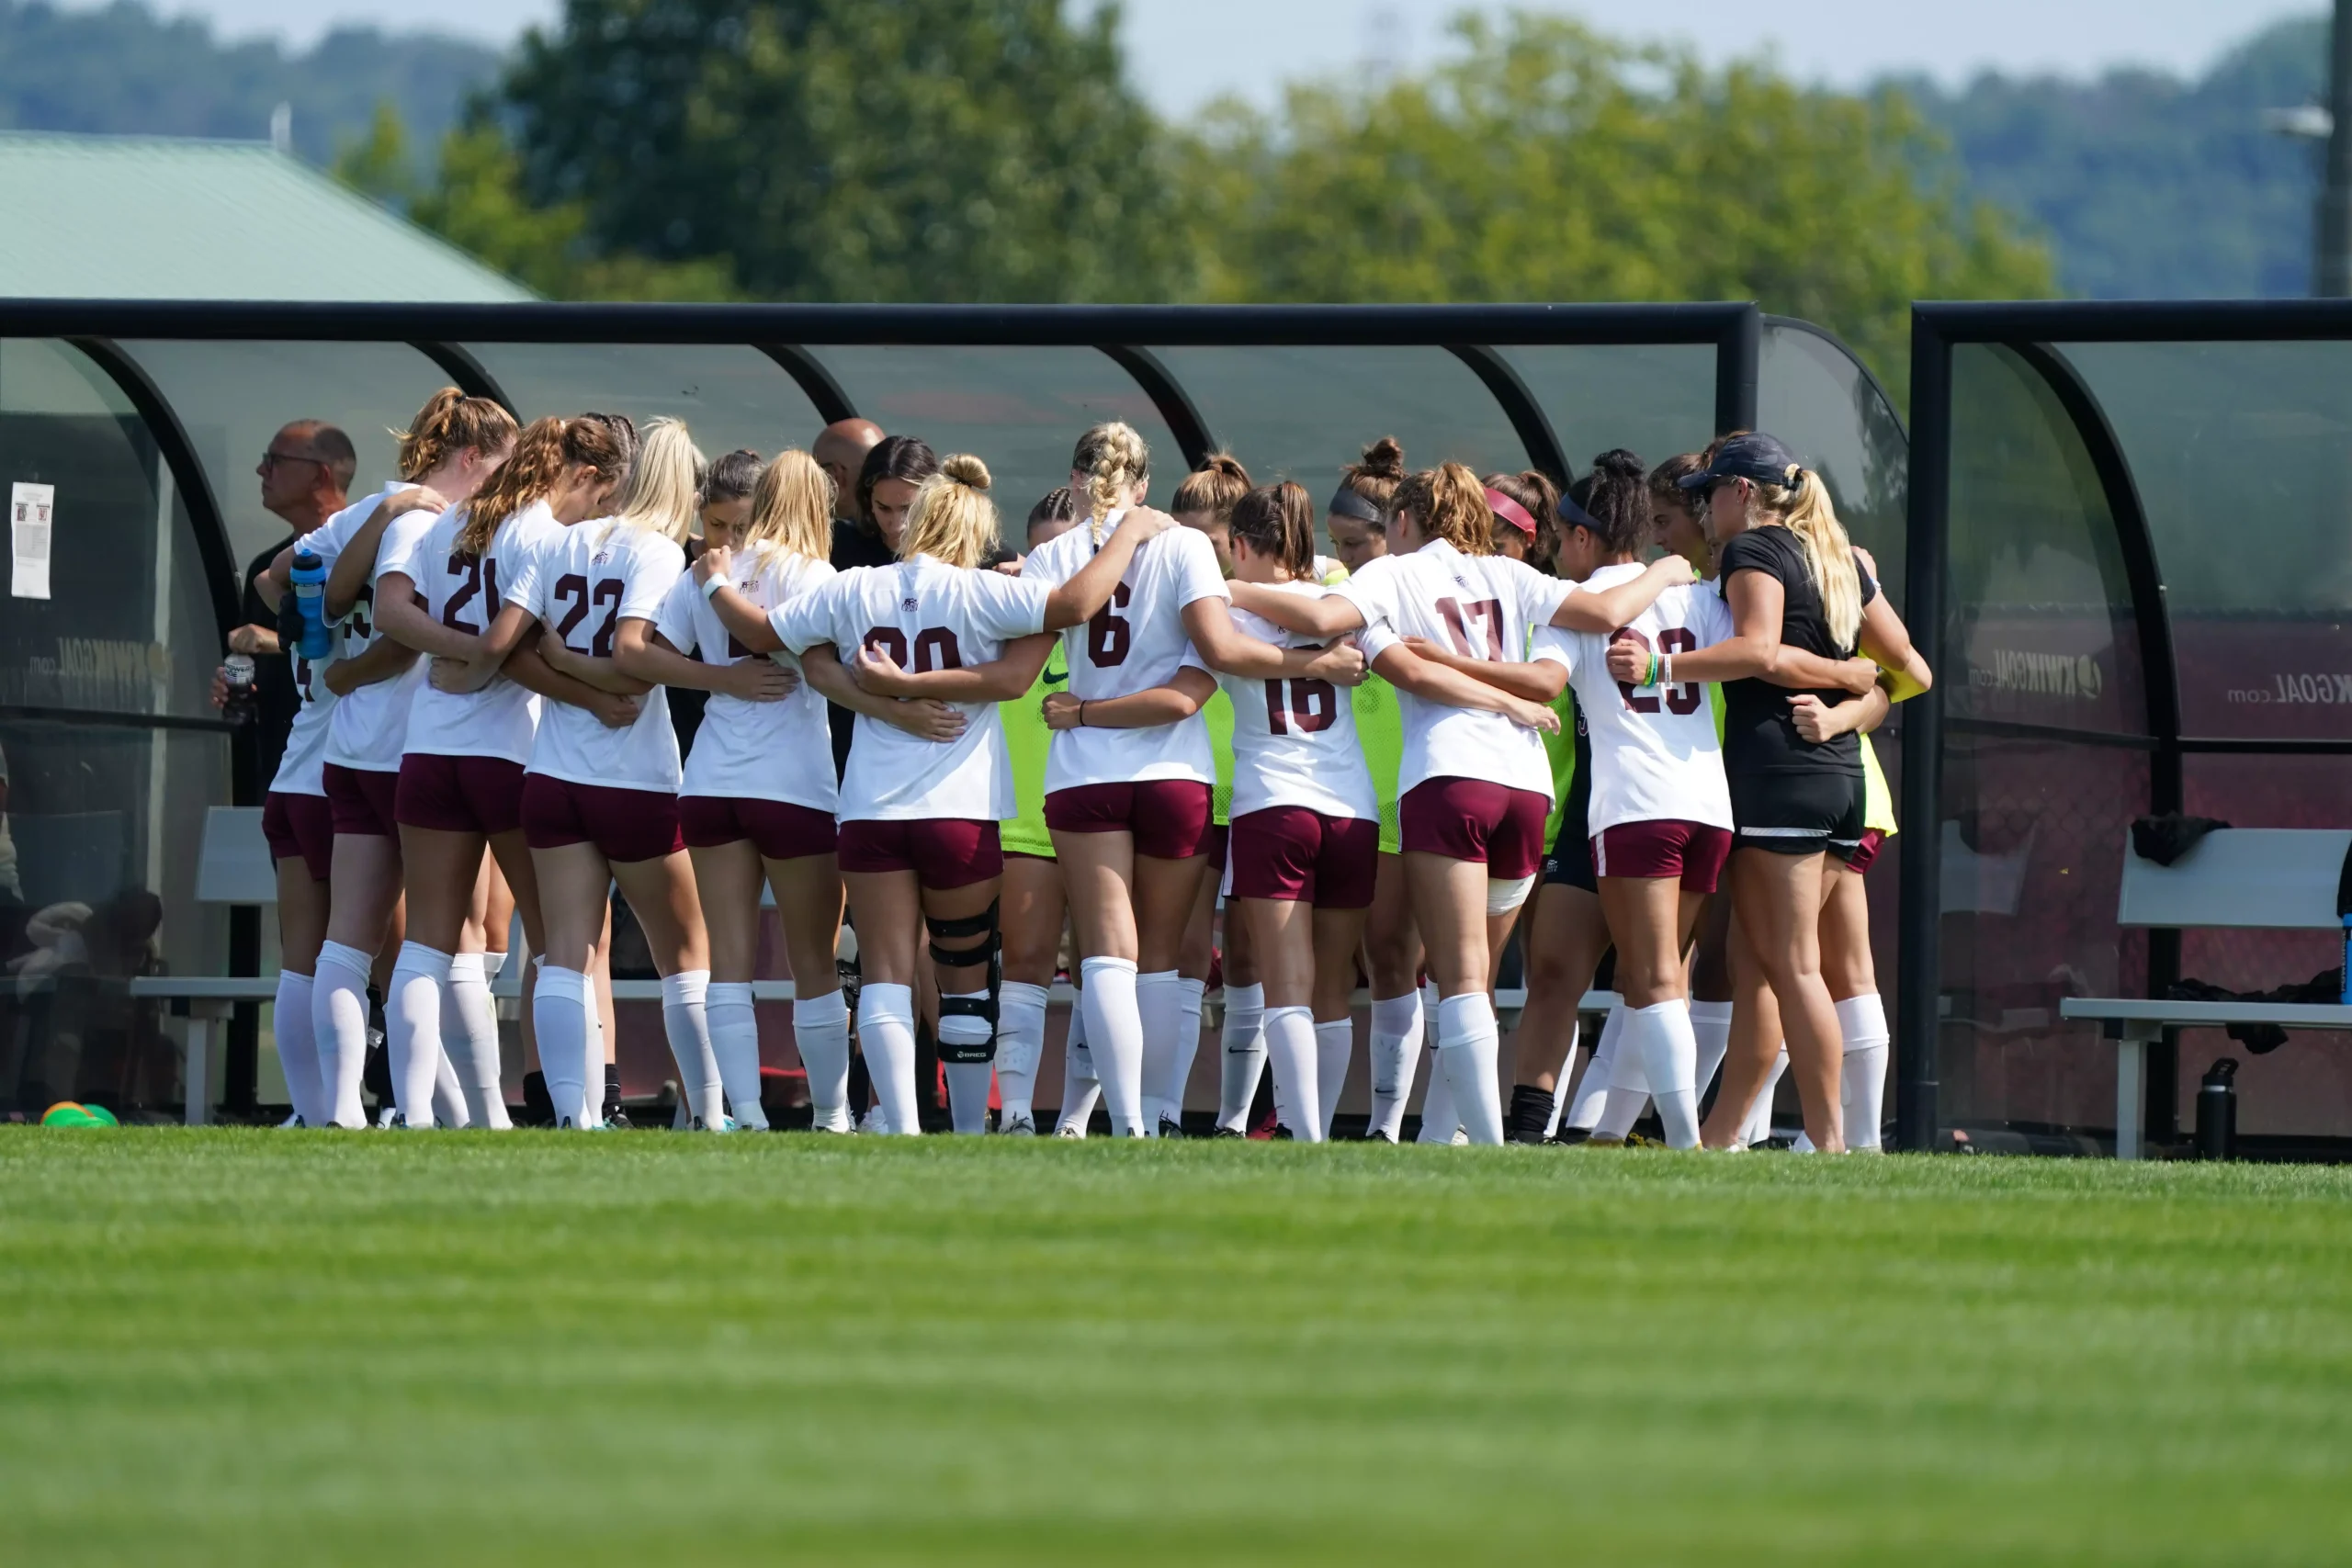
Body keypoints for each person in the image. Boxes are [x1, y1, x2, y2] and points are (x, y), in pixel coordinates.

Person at [1228, 461, 1690, 1145]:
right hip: (1526, 787)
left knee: (1461, 980)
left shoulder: (1394, 572)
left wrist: (1228, 583)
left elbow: (1336, 621)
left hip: (1450, 779)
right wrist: (1668, 570)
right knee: (1473, 979)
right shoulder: (1510, 572)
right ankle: (1448, 1140)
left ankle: (1488, 1141)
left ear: (1406, 521)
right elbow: (1602, 610)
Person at [715, 454, 1166, 1137]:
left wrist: (716, 581)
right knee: (963, 973)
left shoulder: (854, 586)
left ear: (916, 521)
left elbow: (762, 635)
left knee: (887, 974)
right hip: (959, 811)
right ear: (976, 530)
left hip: (872, 808)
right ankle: (964, 1127)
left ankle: (900, 1126)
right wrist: (1129, 532)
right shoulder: (983, 591)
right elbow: (1075, 604)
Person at [1015, 423, 1366, 1140]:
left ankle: (1130, 1125)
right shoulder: (1181, 547)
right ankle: (1159, 1113)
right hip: (1175, 772)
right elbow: (1215, 654)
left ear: (1079, 481)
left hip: (1085, 767)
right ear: (1143, 485)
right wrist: (1313, 664)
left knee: (1106, 950)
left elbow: (1022, 651)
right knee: (1163, 959)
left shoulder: (1052, 555)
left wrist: (1079, 709)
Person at [1609, 432, 1925, 1151]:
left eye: (1712, 492)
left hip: (1780, 774)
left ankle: (1833, 1144)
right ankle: (1720, 1142)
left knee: (1791, 967)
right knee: (1760, 971)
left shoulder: (1755, 549)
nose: (1706, 507)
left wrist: (1659, 669)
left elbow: (1756, 648)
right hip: (1842, 781)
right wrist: (1850, 696)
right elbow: (1910, 671)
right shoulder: (1840, 558)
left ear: (1742, 493)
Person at [644, 449, 958, 1133]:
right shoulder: (815, 575)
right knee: (814, 961)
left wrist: (715, 678)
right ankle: (831, 1112)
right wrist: (908, 707)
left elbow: (645, 651)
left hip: (711, 782)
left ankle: (745, 1115)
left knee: (727, 962)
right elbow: (845, 673)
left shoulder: (709, 571)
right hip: (794, 785)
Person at [258, 393, 516, 1129]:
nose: (504, 488)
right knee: (446, 941)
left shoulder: (370, 511)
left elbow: (286, 577)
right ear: (470, 458)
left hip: (325, 755)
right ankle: (470, 1114)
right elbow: (401, 633)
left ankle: (332, 1113)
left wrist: (322, 651)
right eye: (498, 469)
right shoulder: (428, 521)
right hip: (401, 753)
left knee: (330, 951)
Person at [1519, 451, 1739, 1149]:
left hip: (1639, 806)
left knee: (1651, 980)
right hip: (1706, 804)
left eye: (1560, 537)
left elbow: (1541, 681)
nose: (1555, 552)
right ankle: (1563, 1128)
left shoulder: (1579, 606)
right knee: (1649, 975)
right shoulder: (1699, 594)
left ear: (1585, 537)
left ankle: (1684, 1144)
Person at [1181, 483, 1379, 1140]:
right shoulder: (1339, 598)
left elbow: (1223, 653)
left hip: (1275, 805)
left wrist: (1224, 589)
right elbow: (1325, 611)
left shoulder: (1227, 610)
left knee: (1285, 986)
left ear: (1238, 545)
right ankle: (1311, 1126)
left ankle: (1305, 1130)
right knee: (1332, 989)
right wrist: (1315, 661)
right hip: (1352, 809)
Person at [1323, 437, 1430, 1144]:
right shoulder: (1339, 585)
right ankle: (1319, 1119)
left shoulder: (1418, 586)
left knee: (1400, 957)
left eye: (1356, 544)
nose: (1344, 559)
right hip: (1353, 795)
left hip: (1414, 791)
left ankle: (1396, 1124)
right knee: (1359, 957)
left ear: (1393, 533)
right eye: (1335, 545)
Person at [1170, 453, 1256, 1134]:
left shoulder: (1285, 588)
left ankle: (1235, 1120)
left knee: (1254, 958)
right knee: (1186, 952)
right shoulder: (1169, 588)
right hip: (1197, 784)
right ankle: (1165, 1110)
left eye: (1208, 540)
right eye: (1182, 536)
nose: (1192, 552)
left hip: (1257, 791)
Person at [1000, 488, 1084, 1136]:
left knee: (1099, 965)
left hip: (1101, 811)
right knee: (1025, 960)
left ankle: (1079, 1120)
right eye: (1045, 553)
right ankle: (1018, 1113)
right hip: (1026, 817)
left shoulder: (1124, 617)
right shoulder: (1000, 609)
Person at [220, 421, 356, 783]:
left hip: (348, 759)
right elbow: (245, 659)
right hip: (281, 765)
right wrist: (234, 683)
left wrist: (278, 639)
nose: (261, 469)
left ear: (319, 476)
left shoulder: (367, 557)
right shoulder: (263, 568)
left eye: (275, 459)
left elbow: (373, 642)